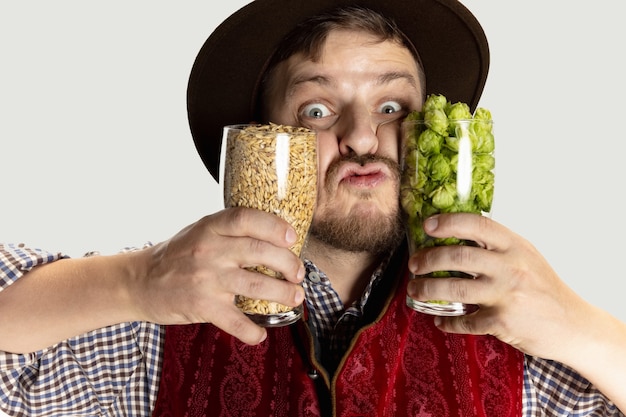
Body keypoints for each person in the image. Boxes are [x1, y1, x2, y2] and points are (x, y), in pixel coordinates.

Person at [1, 0, 625, 415]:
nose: (361, 137)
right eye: (317, 111)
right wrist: (133, 280)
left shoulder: (518, 330)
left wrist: (579, 326)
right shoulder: (156, 316)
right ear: (259, 145)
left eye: (392, 109)